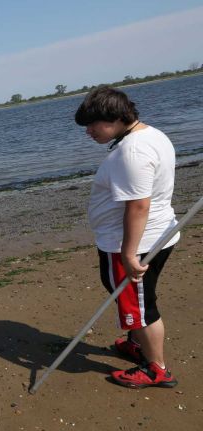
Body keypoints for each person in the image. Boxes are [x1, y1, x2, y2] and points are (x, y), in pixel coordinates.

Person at [75, 86, 180, 389]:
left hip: (136, 242)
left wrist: (128, 254)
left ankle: (156, 368)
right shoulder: (150, 135)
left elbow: (138, 205)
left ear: (117, 117)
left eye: (94, 125)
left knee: (139, 308)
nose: (89, 132)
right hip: (157, 235)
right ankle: (138, 344)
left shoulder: (132, 151)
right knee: (139, 299)